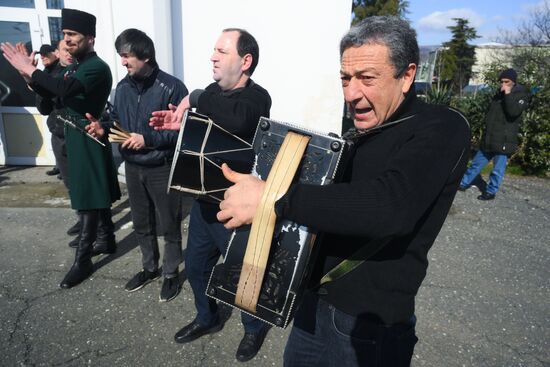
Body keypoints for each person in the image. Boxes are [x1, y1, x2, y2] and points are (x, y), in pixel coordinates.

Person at [216, 17, 471, 366]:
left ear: (407, 75)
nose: (351, 93)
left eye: (367, 78)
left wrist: (273, 198)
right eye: (345, 78)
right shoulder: (360, 134)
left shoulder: (442, 126)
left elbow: (388, 205)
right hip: (310, 304)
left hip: (368, 327)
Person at [149, 28, 272, 362]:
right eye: (213, 50)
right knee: (198, 267)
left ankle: (252, 328)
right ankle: (208, 317)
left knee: (243, 276)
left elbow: (238, 120)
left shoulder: (256, 98)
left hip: (238, 209)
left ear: (245, 61)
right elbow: (205, 139)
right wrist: (181, 126)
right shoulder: (214, 96)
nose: (213, 56)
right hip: (204, 204)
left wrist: (196, 96)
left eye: (221, 51)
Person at [1, 8, 120, 289]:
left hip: (88, 134)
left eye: (72, 34)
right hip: (75, 134)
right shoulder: (74, 66)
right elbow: (53, 91)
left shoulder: (95, 67)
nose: (66, 40)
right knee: (92, 191)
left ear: (90, 38)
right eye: (64, 34)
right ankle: (107, 240)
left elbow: (64, 91)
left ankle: (83, 260)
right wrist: (29, 76)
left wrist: (31, 70)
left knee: (90, 196)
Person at [85, 28, 188, 302]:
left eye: (126, 55)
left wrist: (149, 140)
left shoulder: (173, 87)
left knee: (169, 223)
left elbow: (182, 132)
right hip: (133, 167)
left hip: (161, 166)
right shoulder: (123, 87)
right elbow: (117, 122)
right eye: (121, 55)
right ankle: (149, 268)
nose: (123, 61)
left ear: (145, 55)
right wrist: (103, 129)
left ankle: (170, 273)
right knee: (141, 223)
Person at [459, 68, 529, 200]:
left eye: (507, 81)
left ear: (513, 82)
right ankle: (463, 183)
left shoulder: (521, 95)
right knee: (476, 163)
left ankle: (490, 191)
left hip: (504, 140)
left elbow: (513, 112)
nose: (503, 84)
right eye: (502, 81)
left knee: (497, 170)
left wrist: (508, 94)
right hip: (489, 138)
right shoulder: (498, 95)